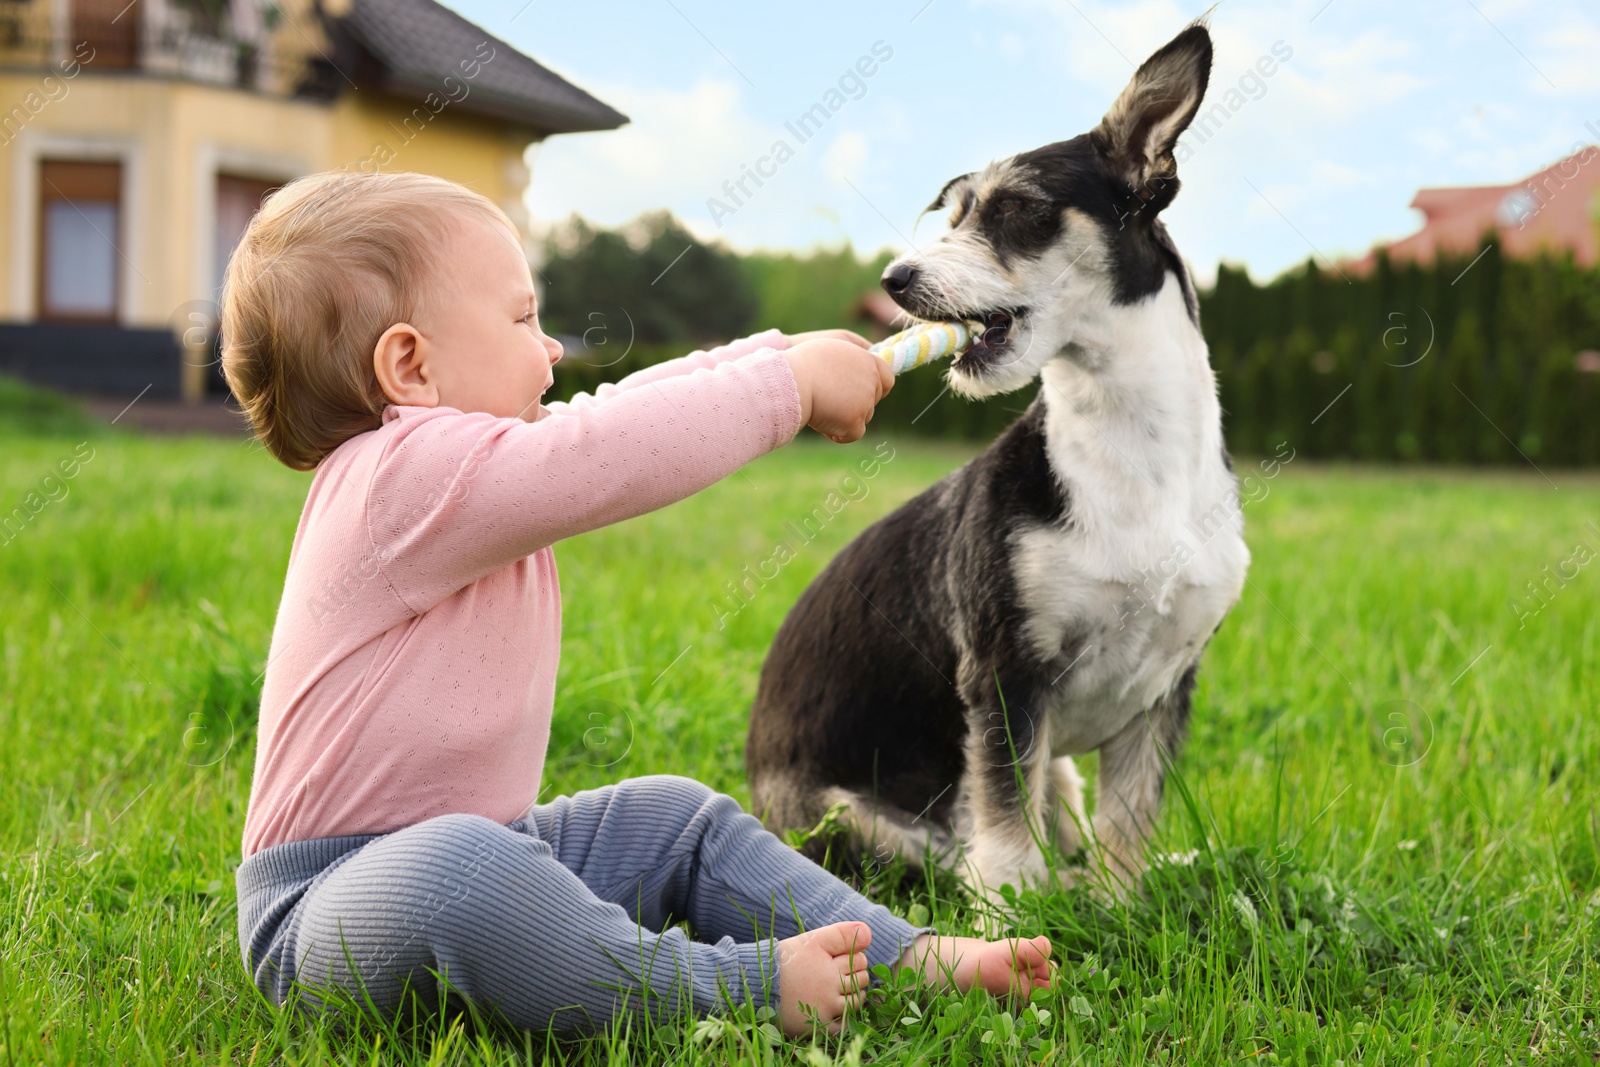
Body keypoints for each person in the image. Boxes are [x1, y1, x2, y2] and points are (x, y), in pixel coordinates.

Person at [223, 169, 1053, 1037]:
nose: (549, 348)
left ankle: (904, 957)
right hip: (325, 910)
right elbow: (606, 449)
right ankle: (733, 987)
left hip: (491, 848)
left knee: (672, 816)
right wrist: (790, 390)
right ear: (411, 366)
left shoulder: (463, 473)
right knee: (458, 861)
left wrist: (776, 360)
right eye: (520, 319)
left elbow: (622, 407)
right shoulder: (396, 480)